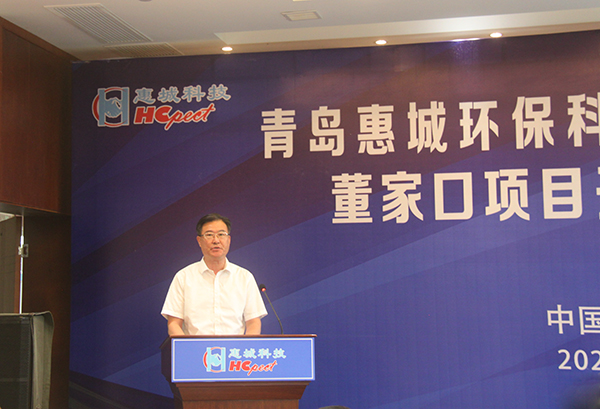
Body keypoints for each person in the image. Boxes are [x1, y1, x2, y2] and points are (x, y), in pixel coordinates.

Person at [161, 213, 267, 335]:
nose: (216, 240)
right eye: (209, 235)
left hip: (234, 347)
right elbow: (174, 323)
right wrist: (187, 347)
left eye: (221, 234)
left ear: (229, 240)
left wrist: (244, 346)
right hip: (196, 347)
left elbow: (253, 323)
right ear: (199, 241)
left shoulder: (244, 277)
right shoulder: (183, 277)